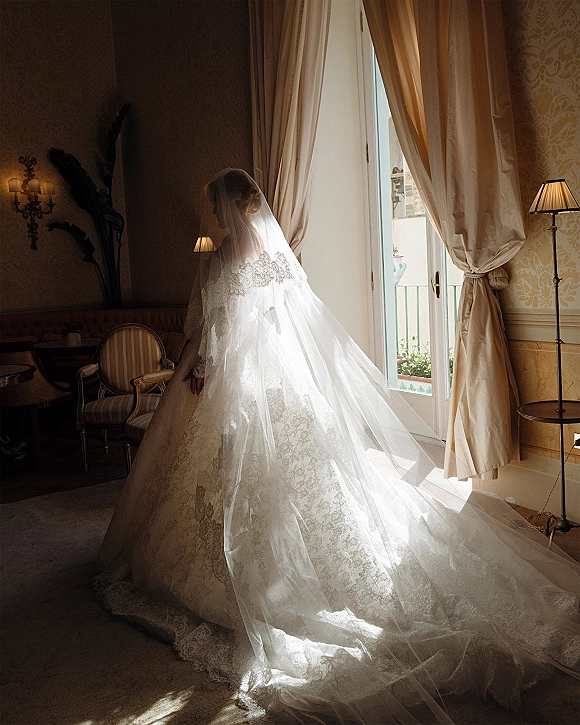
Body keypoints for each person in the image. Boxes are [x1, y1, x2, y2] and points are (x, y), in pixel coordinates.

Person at [95, 169, 579, 725]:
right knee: (254, 475)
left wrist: (203, 365)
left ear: (231, 205)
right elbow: (278, 321)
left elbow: (213, 324)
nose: (215, 216)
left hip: (241, 379)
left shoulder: (226, 254)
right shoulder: (266, 252)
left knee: (247, 474)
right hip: (261, 375)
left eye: (217, 206)